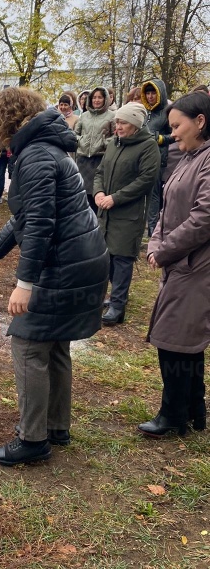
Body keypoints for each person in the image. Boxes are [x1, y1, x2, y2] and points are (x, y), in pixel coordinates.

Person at [0, 87, 109, 467]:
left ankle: (33, 439)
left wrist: (25, 283)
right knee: (55, 344)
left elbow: (40, 224)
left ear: (2, 122)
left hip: (65, 263)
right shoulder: (48, 148)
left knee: (29, 345)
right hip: (85, 257)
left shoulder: (34, 155)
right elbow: (26, 215)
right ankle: (56, 426)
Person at [139, 91, 210, 437]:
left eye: (177, 126)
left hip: (197, 267)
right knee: (182, 340)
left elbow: (203, 218)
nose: (172, 133)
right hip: (180, 265)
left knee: (175, 342)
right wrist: (156, 242)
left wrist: (164, 250)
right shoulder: (189, 156)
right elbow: (166, 210)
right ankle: (194, 409)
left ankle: (174, 416)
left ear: (200, 122)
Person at [93, 103, 161, 325]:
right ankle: (110, 297)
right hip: (106, 213)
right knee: (105, 258)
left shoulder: (148, 147)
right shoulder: (114, 143)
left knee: (121, 259)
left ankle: (118, 306)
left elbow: (146, 180)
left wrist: (116, 197)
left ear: (135, 125)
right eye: (117, 122)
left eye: (122, 123)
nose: (117, 126)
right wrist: (99, 192)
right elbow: (100, 171)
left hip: (128, 214)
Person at [141, 78, 174, 236]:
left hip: (158, 158)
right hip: (141, 157)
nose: (150, 96)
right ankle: (141, 229)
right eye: (147, 92)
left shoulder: (168, 112)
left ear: (160, 93)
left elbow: (174, 134)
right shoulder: (145, 113)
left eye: (153, 92)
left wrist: (161, 139)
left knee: (154, 196)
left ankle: (153, 232)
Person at [74, 87, 115, 211]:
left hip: (100, 158)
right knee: (82, 193)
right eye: (94, 97)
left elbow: (115, 136)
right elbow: (75, 133)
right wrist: (82, 141)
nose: (97, 100)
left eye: (100, 97)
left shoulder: (112, 116)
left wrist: (103, 142)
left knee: (97, 193)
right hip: (83, 159)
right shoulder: (84, 116)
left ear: (105, 99)